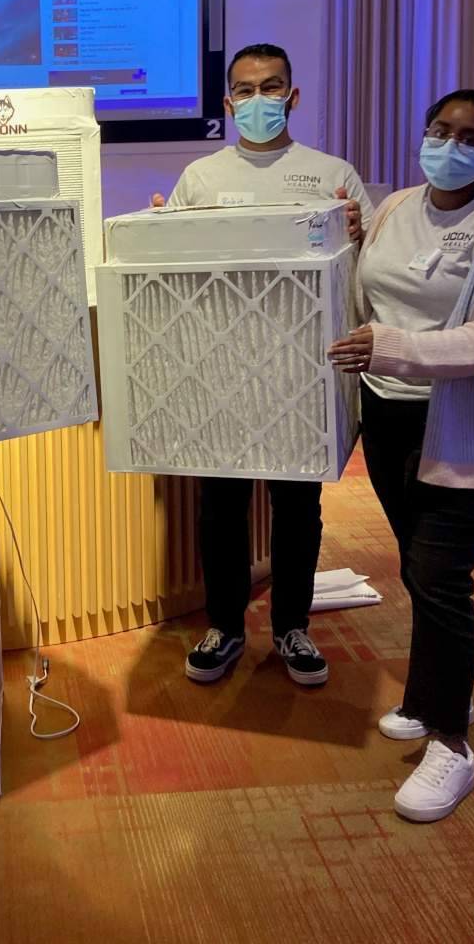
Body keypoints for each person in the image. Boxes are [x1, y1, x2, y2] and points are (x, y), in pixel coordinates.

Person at [329, 90, 474, 822]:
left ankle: (452, 746)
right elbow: (371, 292)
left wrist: (393, 347)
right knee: (421, 569)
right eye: (437, 130)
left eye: (467, 135)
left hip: (462, 429)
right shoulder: (395, 208)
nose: (447, 144)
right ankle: (432, 695)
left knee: (440, 575)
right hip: (389, 419)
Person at [155, 44, 375, 687]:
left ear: (293, 96)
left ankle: (291, 627)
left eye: (271, 87)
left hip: (301, 372)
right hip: (220, 372)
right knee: (218, 508)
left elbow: (366, 269)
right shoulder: (199, 177)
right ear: (228, 103)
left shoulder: (333, 173)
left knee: (297, 508)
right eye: (245, 91)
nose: (259, 100)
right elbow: (178, 277)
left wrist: (363, 234)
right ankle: (224, 625)